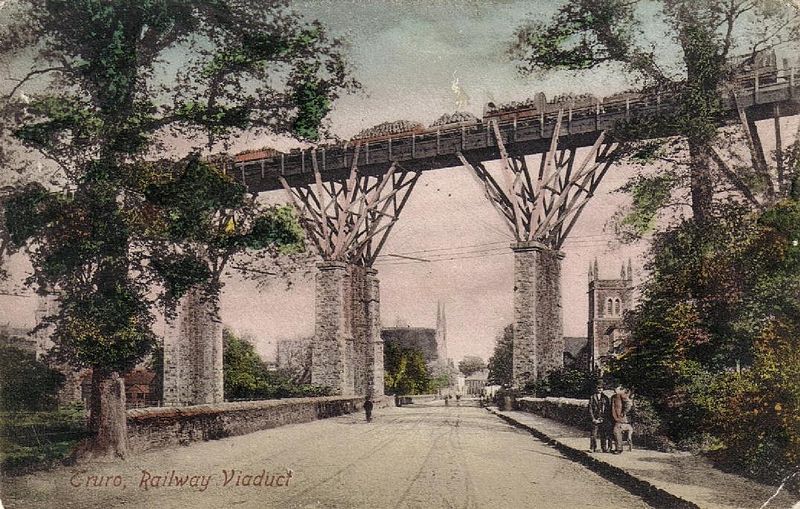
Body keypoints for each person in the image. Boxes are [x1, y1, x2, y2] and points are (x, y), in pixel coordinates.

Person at [611, 386, 634, 454]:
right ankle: (617, 448)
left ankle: (619, 449)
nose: (614, 389)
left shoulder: (621, 395)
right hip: (613, 417)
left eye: (616, 388)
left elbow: (629, 404)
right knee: (615, 433)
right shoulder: (614, 396)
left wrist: (623, 413)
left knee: (616, 432)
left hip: (620, 418)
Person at [588, 384, 609, 453]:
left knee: (603, 434)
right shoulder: (592, 397)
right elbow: (590, 409)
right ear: (596, 389)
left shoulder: (605, 397)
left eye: (601, 388)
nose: (600, 389)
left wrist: (604, 418)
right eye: (598, 388)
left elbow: (607, 409)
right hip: (595, 418)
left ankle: (604, 448)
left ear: (603, 389)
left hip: (602, 418)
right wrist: (593, 418)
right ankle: (592, 447)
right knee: (593, 434)